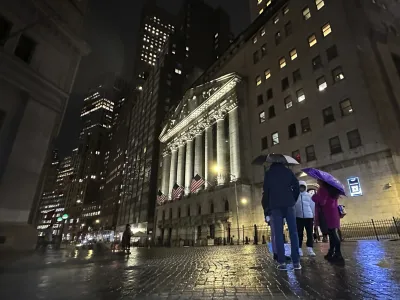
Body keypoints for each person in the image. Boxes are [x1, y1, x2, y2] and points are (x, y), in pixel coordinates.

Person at [262, 162, 301, 270]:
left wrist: (266, 207)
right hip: (289, 203)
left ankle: (282, 262)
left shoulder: (269, 173)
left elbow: (266, 191)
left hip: (275, 205)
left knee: (278, 234)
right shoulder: (288, 171)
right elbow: (296, 186)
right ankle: (296, 262)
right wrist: (293, 199)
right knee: (293, 232)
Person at [312, 180, 344, 264]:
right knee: (332, 233)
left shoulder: (322, 189)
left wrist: (315, 196)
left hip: (327, 213)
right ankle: (332, 252)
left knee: (333, 233)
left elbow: (322, 202)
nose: (317, 181)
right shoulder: (333, 189)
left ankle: (338, 253)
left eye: (318, 180)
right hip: (334, 212)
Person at [295, 181, 316, 257]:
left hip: (309, 217)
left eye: (303, 187)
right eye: (300, 187)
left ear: (305, 187)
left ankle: (310, 248)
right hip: (298, 217)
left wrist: (314, 215)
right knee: (299, 234)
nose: (301, 188)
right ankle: (299, 248)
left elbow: (312, 206)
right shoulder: (295, 196)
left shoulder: (309, 196)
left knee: (310, 233)